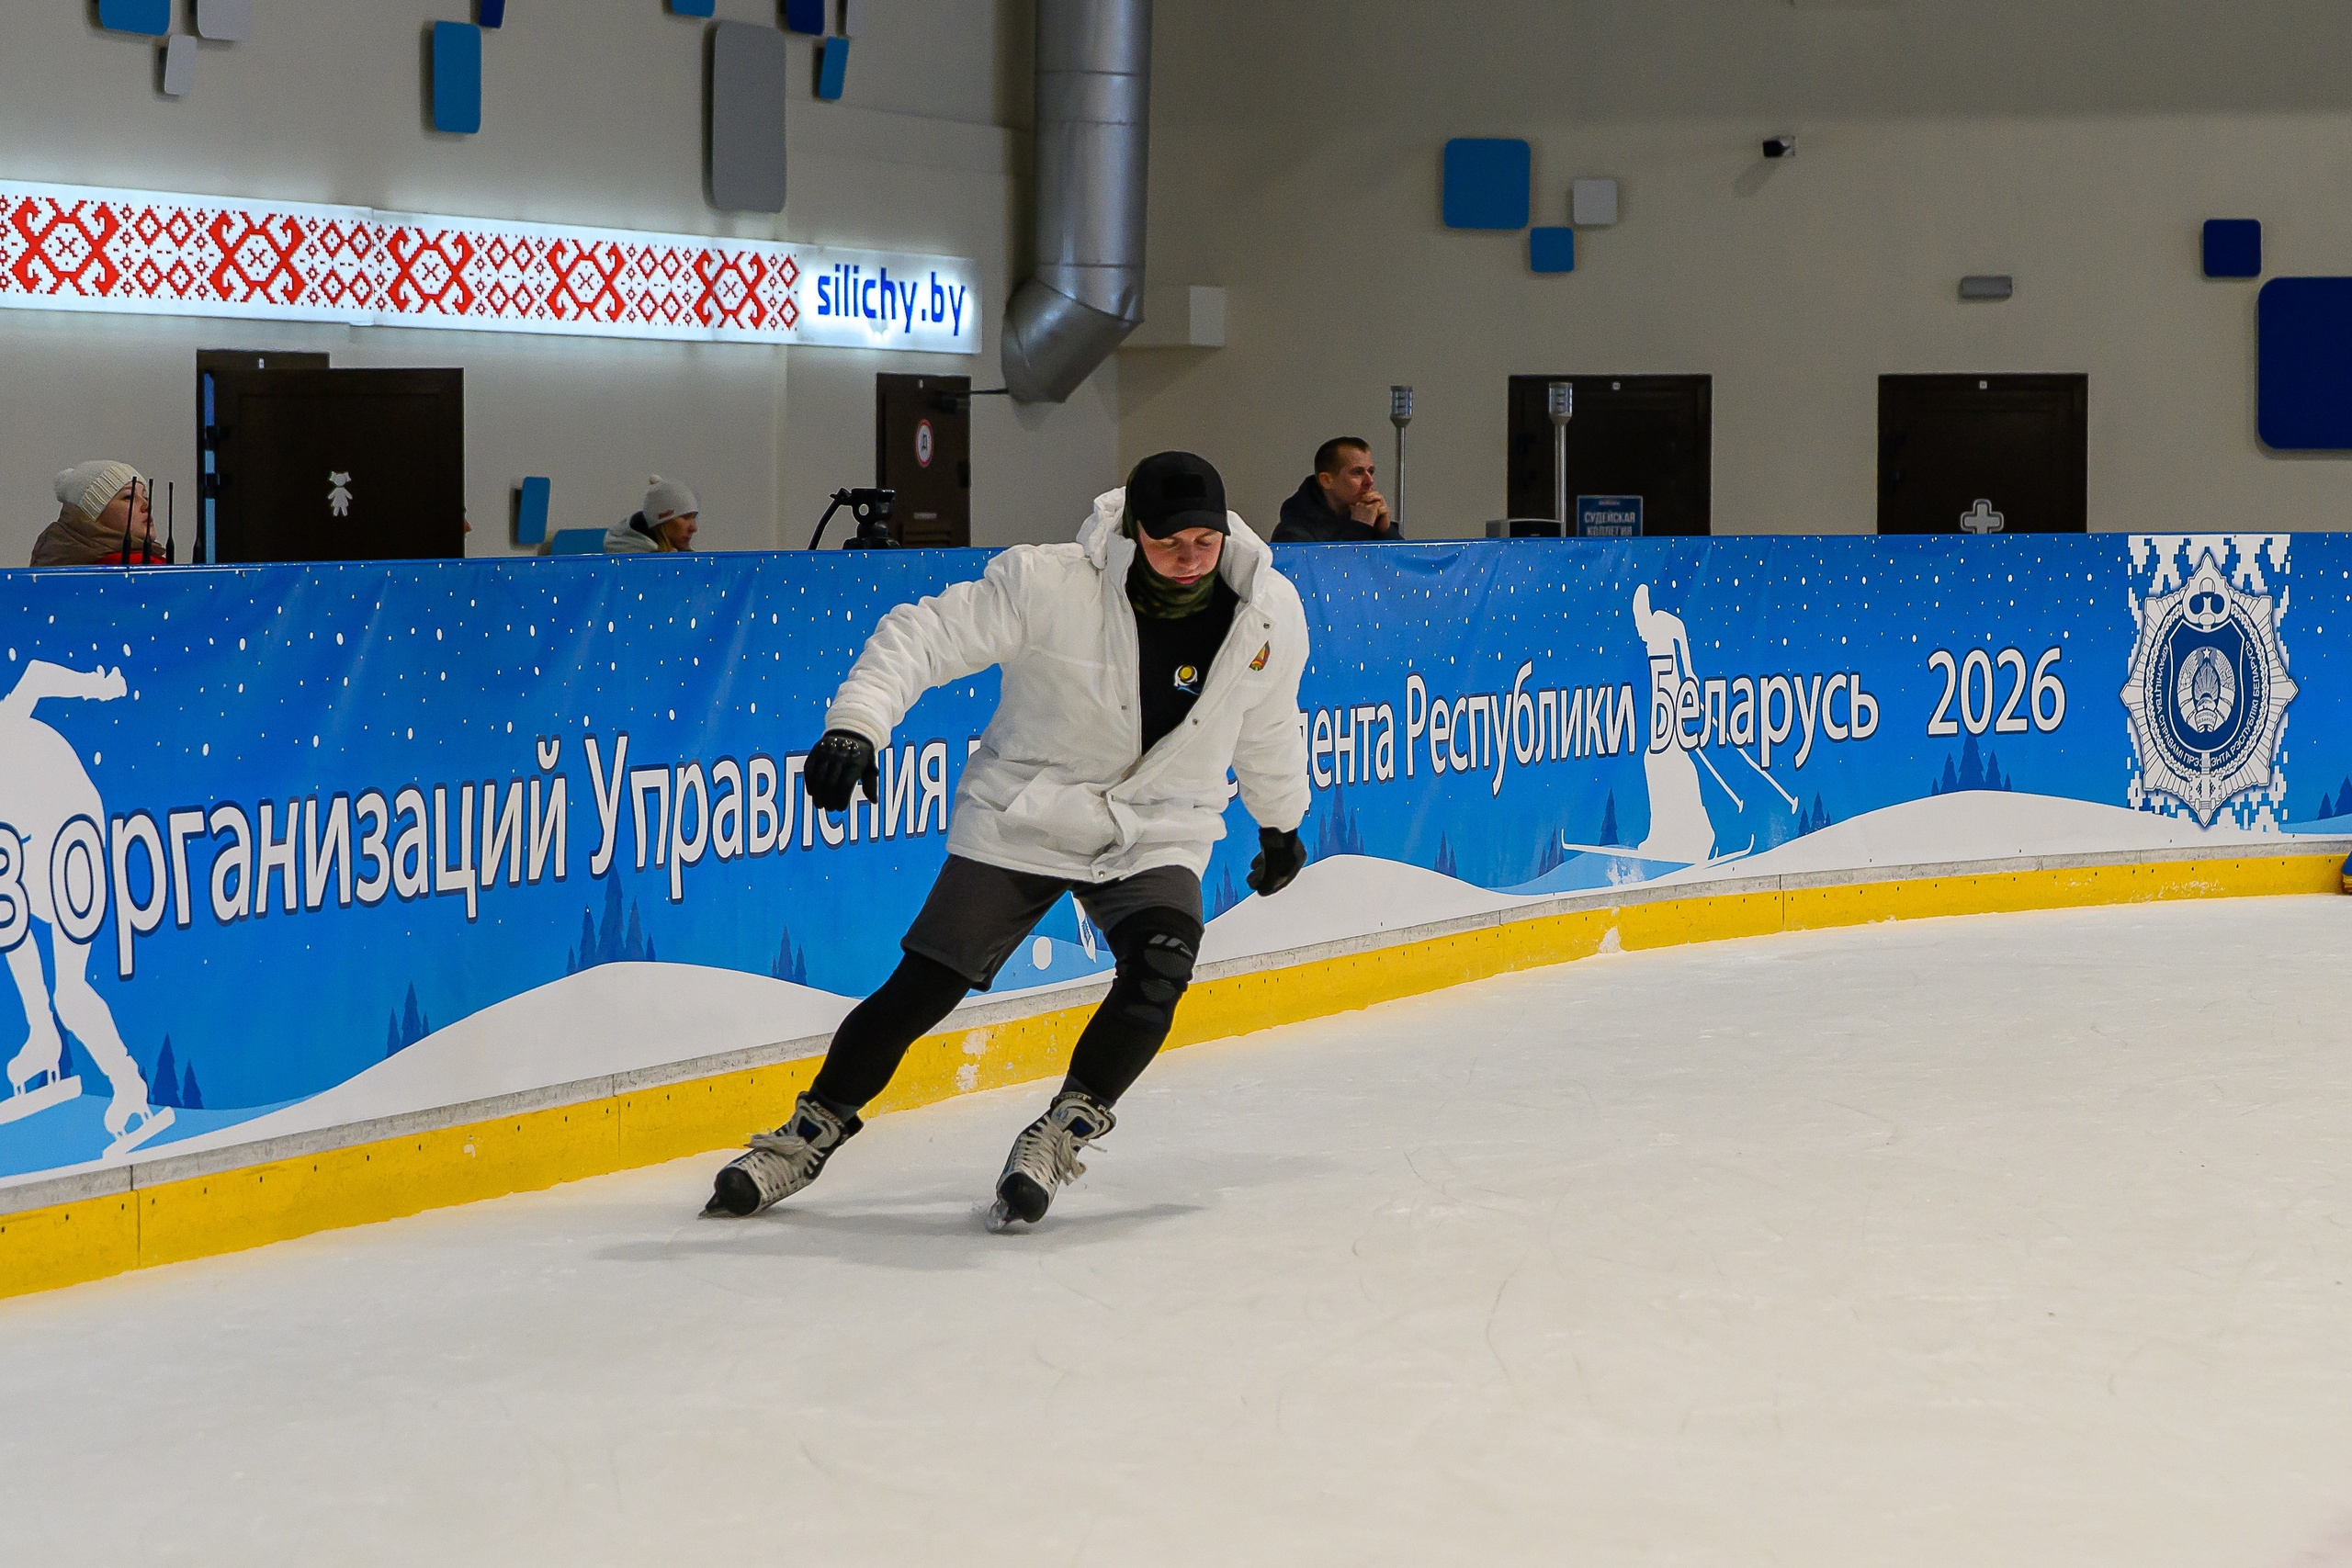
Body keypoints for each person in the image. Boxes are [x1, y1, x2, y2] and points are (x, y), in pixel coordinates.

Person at [705, 451, 1312, 1230]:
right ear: (1133, 532)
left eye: (1205, 541)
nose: (1190, 561)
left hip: (1158, 822)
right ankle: (808, 1133)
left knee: (1162, 964)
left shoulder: (1267, 608)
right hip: (1029, 811)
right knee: (924, 986)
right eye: (1170, 543)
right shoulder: (1047, 582)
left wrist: (1281, 819)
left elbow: (1267, 722)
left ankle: (1062, 1129)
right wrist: (858, 723)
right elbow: (921, 634)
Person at [31, 462, 170, 567]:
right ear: (91, 517)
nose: (147, 506)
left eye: (145, 497)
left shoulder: (50, 568)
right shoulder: (143, 570)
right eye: (128, 497)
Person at [1272, 436, 1400, 543]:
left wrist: (1386, 531)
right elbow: (1333, 571)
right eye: (1357, 472)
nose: (1369, 481)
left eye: (1370, 472)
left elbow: (1403, 570)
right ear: (1327, 481)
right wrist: (1360, 528)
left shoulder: (1368, 521)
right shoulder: (1292, 533)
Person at [604, 475, 698, 553]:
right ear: (662, 522)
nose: (693, 528)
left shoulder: (686, 560)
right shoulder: (635, 565)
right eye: (685, 517)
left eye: (694, 518)